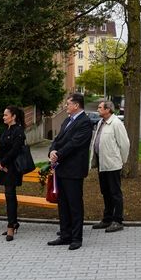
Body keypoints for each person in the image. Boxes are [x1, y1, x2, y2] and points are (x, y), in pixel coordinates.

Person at [47, 93, 94, 250]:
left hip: (73, 170)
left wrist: (58, 154)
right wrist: (52, 151)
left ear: (76, 105)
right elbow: (58, 139)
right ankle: (65, 234)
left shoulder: (85, 122)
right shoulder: (67, 120)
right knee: (63, 204)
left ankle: (76, 237)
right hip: (61, 169)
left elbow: (75, 143)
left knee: (74, 204)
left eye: (68, 104)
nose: (65, 106)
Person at [90, 99, 130, 232]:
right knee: (105, 192)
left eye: (100, 107)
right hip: (102, 164)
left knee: (115, 193)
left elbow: (124, 144)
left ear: (108, 110)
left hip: (112, 164)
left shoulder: (116, 123)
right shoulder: (101, 122)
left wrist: (121, 161)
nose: (98, 109)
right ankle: (107, 219)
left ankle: (118, 220)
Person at [0, 105, 26, 242]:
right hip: (4, 167)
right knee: (8, 196)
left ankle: (11, 226)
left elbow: (15, 150)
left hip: (13, 168)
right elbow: (0, 147)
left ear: (13, 116)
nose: (3, 117)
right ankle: (13, 222)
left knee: (10, 195)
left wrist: (3, 162)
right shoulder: (6, 130)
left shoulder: (19, 131)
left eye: (6, 115)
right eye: (3, 115)